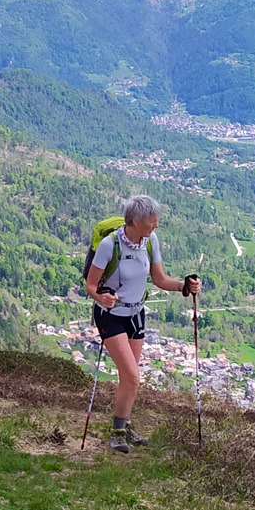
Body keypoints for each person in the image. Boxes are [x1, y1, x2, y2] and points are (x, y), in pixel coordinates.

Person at [85, 194, 199, 453]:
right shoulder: (109, 245)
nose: (156, 225)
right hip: (110, 315)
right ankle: (116, 433)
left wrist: (184, 286)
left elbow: (159, 279)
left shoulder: (150, 241)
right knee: (133, 377)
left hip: (136, 315)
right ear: (135, 220)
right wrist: (101, 296)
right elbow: (90, 285)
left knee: (129, 377)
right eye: (151, 221)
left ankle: (124, 426)